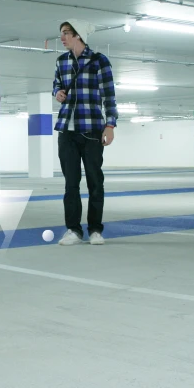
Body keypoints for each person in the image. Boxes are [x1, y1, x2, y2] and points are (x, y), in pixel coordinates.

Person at [52, 18, 118, 245]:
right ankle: (73, 230)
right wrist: (58, 92)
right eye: (61, 33)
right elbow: (56, 84)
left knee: (94, 182)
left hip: (91, 130)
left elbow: (109, 96)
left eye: (66, 33)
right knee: (71, 183)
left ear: (78, 35)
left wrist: (110, 125)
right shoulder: (61, 62)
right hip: (66, 131)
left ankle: (95, 230)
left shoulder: (99, 61)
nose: (62, 37)